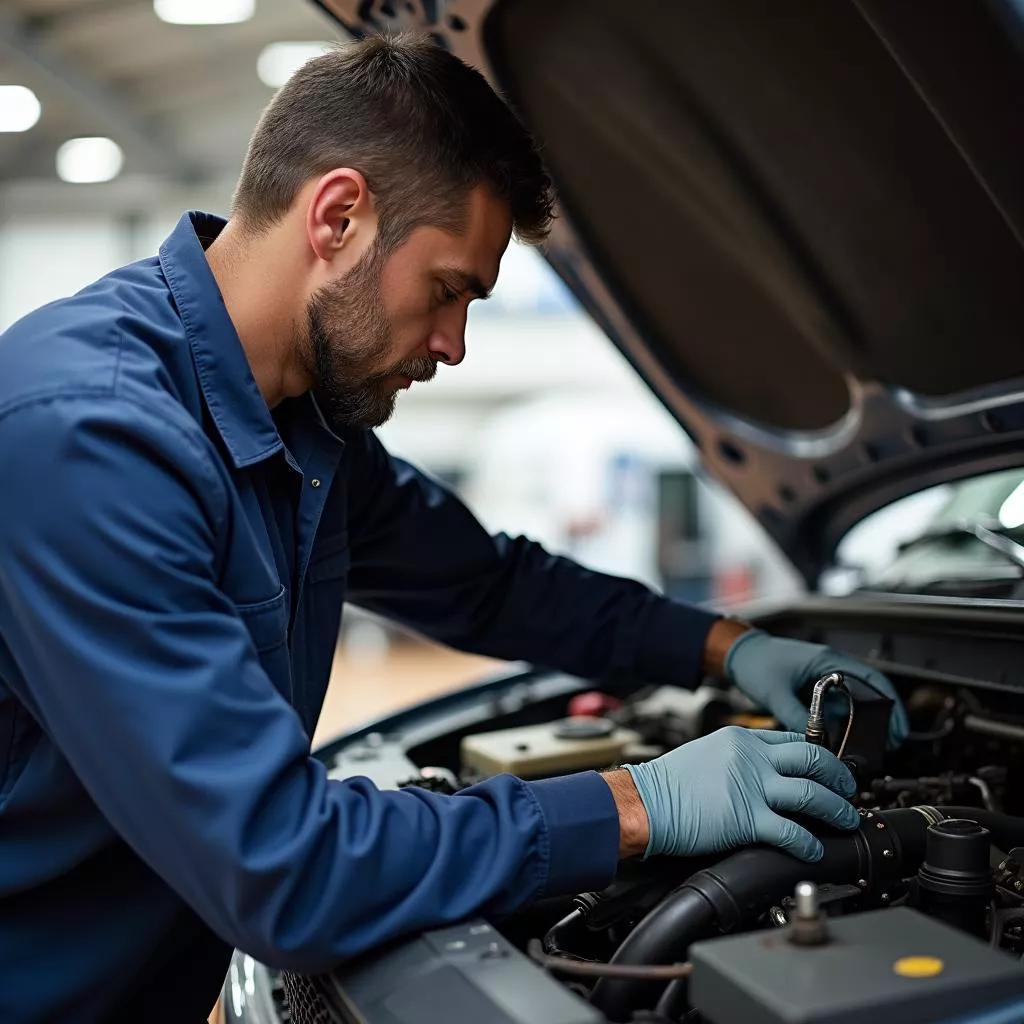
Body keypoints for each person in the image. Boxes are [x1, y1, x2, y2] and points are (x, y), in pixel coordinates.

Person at [0, 35, 908, 1022]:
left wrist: (731, 647)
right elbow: (284, 869)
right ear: (338, 216)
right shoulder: (88, 440)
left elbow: (490, 584)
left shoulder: (303, 422)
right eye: (446, 290)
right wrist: (634, 804)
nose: (455, 345)